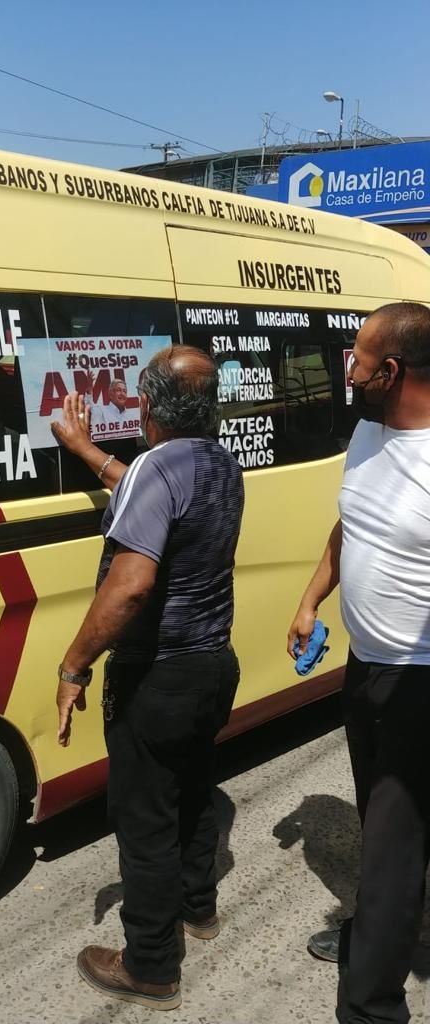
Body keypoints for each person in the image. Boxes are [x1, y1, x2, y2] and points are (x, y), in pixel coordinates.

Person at [52, 345, 244, 1011]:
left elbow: (130, 587)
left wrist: (74, 665)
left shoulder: (154, 471)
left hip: (158, 677)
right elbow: (145, 485)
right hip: (214, 666)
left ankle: (151, 966)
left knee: (146, 822)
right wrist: (86, 451)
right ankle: (199, 908)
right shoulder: (220, 462)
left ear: (143, 406)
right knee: (193, 792)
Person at [288, 302, 430, 1024]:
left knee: (392, 847)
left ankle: (373, 1004)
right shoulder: (369, 435)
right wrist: (311, 598)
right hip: (364, 668)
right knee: (385, 829)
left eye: (359, 358)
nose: (349, 370)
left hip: (419, 684)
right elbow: (352, 523)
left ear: (392, 371)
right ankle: (381, 932)